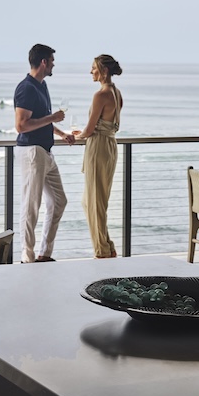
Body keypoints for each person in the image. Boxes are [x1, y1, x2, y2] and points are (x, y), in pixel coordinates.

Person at [14, 44, 75, 263]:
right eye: (52, 61)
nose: (53, 65)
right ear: (43, 62)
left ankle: (44, 253)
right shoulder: (26, 88)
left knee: (59, 201)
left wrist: (61, 133)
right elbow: (21, 126)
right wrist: (53, 118)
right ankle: (27, 257)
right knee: (31, 205)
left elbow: (41, 119)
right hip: (32, 152)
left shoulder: (42, 85)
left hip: (46, 152)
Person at [75, 54, 123, 258]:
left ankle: (102, 252)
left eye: (94, 68)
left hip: (99, 147)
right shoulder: (116, 93)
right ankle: (107, 246)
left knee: (95, 202)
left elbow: (90, 129)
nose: (91, 71)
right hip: (110, 145)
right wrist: (85, 133)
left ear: (104, 71)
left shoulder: (101, 95)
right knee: (94, 201)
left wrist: (76, 136)